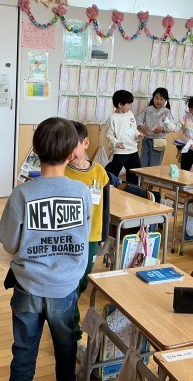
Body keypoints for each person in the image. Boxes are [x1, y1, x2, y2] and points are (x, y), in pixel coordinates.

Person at [0, 117, 91, 381]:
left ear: (35, 150)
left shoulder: (22, 194)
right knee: (66, 351)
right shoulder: (82, 192)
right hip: (65, 287)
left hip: (27, 285)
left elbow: (9, 242)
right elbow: (83, 236)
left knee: (23, 353)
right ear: (72, 153)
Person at [64, 121, 110, 350]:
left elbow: (106, 204)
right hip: (70, 238)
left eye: (73, 146)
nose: (70, 153)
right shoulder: (62, 172)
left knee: (82, 281)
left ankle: (65, 316)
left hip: (92, 237)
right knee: (71, 284)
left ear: (85, 143)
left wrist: (104, 234)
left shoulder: (99, 172)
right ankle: (71, 330)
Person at [163, 95, 193, 171]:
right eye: (189, 108)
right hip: (186, 150)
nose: (190, 110)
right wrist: (167, 121)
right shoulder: (186, 117)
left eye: (192, 108)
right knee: (184, 172)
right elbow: (175, 128)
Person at [105, 89, 142, 184]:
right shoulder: (112, 118)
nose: (130, 106)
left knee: (135, 174)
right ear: (120, 105)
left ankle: (133, 190)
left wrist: (138, 135)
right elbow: (109, 135)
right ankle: (107, 187)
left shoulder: (130, 114)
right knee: (112, 173)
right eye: (128, 104)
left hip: (133, 149)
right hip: (120, 151)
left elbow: (134, 129)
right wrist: (116, 143)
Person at [136, 87, 173, 167]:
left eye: (161, 99)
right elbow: (138, 120)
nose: (158, 101)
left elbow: (172, 127)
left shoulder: (167, 112)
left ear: (165, 100)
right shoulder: (147, 109)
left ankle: (152, 175)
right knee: (143, 161)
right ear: (153, 98)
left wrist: (162, 129)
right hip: (147, 138)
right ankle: (142, 175)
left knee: (155, 164)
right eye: (156, 98)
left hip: (159, 140)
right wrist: (141, 126)